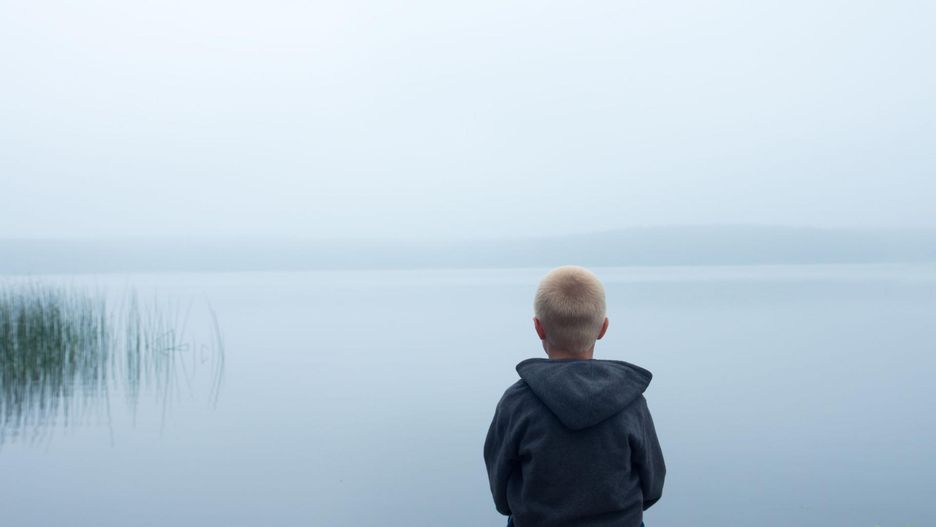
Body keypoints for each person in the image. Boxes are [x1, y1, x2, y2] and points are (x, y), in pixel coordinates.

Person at [483, 265, 665, 527]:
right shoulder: (631, 402)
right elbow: (652, 485)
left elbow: (501, 492)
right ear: (603, 328)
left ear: (538, 328)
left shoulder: (517, 403)